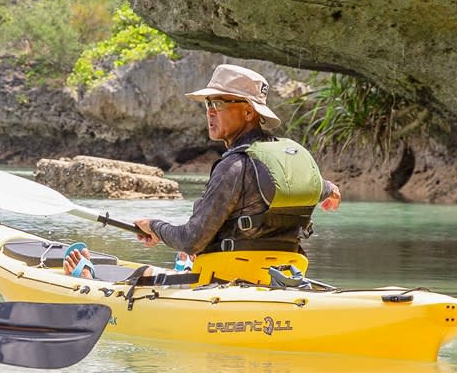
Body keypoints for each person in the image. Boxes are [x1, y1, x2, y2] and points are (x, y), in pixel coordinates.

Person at [134, 63, 341, 267]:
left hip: (227, 278)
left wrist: (155, 227)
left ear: (249, 113)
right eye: (208, 104)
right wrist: (331, 190)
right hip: (285, 276)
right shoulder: (291, 160)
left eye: (218, 104)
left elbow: (191, 241)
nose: (210, 113)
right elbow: (323, 187)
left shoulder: (233, 166)